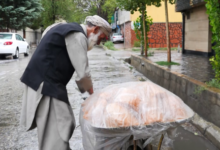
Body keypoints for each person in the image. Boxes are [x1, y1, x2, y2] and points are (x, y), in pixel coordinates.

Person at [20, 15, 111, 150]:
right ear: (95, 29)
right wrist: (94, 98)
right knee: (59, 128)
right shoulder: (77, 35)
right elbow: (83, 73)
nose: (99, 43)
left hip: (42, 82)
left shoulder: (63, 28)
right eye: (102, 38)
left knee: (59, 126)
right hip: (46, 85)